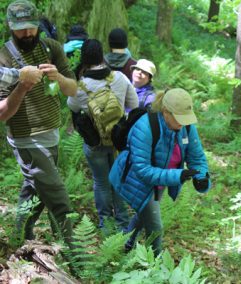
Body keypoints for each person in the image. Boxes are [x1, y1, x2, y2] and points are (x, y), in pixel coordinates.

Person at [0, 0, 77, 245]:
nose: (27, 33)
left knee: (33, 190)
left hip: (51, 132)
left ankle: (19, 237)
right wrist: (22, 86)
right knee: (58, 197)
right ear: (10, 26)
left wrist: (58, 77)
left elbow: (73, 89)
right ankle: (73, 254)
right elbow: (2, 114)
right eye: (20, 28)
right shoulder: (4, 57)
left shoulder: (51, 47)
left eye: (31, 27)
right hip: (26, 137)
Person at [109, 88, 211, 256]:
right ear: (165, 112)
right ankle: (154, 267)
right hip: (135, 180)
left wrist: (202, 177)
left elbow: (197, 156)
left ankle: (125, 244)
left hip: (161, 181)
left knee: (144, 215)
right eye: (179, 119)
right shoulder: (145, 126)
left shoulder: (186, 127)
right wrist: (178, 175)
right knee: (155, 227)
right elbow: (142, 169)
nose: (183, 123)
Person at [67, 39, 138, 233]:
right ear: (102, 56)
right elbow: (135, 103)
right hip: (118, 141)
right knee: (118, 179)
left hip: (95, 142)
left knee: (101, 182)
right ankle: (123, 223)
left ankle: (105, 225)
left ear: (84, 59)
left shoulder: (81, 87)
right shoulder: (120, 78)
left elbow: (72, 107)